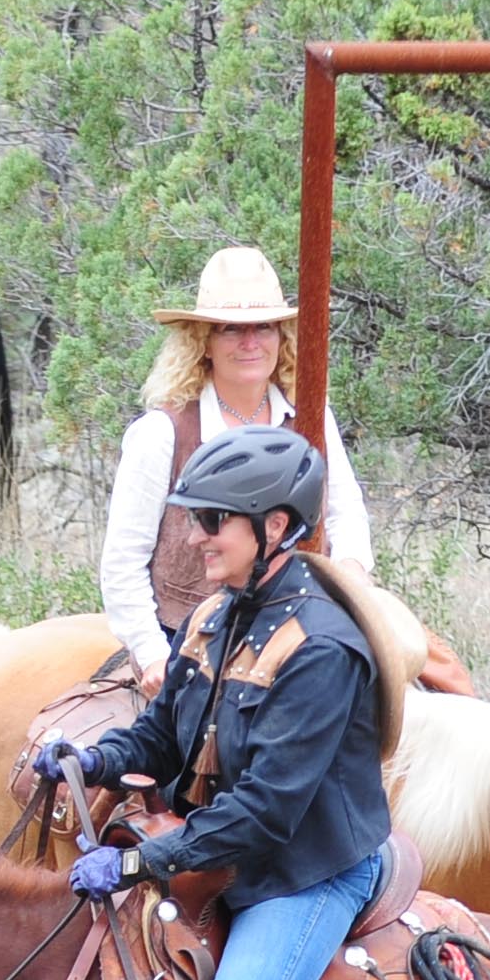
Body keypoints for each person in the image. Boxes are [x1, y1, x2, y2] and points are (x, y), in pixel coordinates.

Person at [50, 427, 394, 980]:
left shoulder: (322, 649)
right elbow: (163, 736)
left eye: (215, 523)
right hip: (221, 856)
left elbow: (267, 813)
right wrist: (91, 757)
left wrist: (136, 861)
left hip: (303, 872)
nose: (196, 537)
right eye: (197, 519)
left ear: (275, 526)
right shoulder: (213, 616)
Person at [97, 247, 374, 682]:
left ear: (281, 336)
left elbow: (345, 512)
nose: (249, 343)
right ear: (203, 341)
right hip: (190, 646)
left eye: (263, 327)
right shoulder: (161, 433)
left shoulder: (312, 418)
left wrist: (352, 579)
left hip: (304, 632)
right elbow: (122, 562)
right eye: (230, 329)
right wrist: (153, 657)